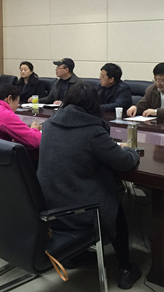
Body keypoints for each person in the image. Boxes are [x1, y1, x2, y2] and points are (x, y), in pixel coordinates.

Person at [37, 82, 141, 289]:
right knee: (116, 208)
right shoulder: (93, 131)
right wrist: (131, 150)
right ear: (95, 104)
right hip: (81, 213)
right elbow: (124, 162)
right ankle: (125, 267)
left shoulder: (49, 124)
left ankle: (75, 254)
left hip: (48, 207)